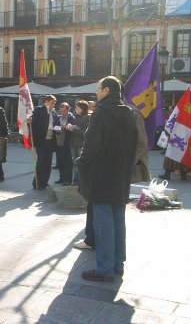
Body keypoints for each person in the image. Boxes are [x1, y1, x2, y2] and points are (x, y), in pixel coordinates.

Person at [78, 76, 137, 282]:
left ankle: (104, 268)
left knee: (103, 223)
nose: (96, 91)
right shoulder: (129, 112)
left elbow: (91, 145)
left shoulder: (101, 112)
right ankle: (118, 263)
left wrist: (82, 162)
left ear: (106, 91)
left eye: (98, 88)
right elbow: (135, 145)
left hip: (102, 174)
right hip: (121, 174)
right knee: (118, 220)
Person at [27, 95, 58, 190]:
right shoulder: (39, 109)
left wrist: (60, 129)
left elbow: (56, 125)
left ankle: (44, 182)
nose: (53, 105)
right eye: (52, 103)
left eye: (54, 103)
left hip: (50, 140)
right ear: (46, 101)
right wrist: (30, 121)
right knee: (41, 162)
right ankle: (36, 182)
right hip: (41, 140)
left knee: (48, 163)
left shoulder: (54, 113)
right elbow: (32, 121)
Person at [67, 100, 90, 186]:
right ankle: (75, 181)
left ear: (82, 108)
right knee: (75, 163)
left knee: (80, 163)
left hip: (80, 144)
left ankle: (79, 182)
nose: (75, 109)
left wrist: (73, 129)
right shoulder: (75, 117)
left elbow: (84, 132)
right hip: (73, 143)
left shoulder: (87, 118)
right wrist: (69, 127)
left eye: (77, 107)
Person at [54, 103, 75, 186]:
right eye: (61, 111)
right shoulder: (58, 117)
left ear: (68, 110)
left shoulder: (71, 117)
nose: (62, 113)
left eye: (64, 111)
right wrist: (59, 128)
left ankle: (68, 180)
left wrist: (66, 128)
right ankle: (61, 178)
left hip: (68, 143)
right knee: (60, 162)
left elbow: (73, 128)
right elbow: (54, 127)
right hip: (59, 143)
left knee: (68, 162)